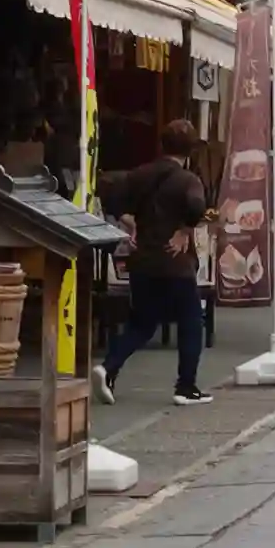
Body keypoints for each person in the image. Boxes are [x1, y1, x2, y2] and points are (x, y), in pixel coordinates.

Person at [94, 120, 214, 406]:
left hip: (143, 260)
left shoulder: (139, 174)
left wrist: (131, 223)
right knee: (191, 321)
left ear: (162, 145)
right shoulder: (188, 180)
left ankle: (108, 368)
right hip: (175, 262)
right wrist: (184, 230)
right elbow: (197, 207)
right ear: (190, 151)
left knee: (142, 323)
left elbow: (111, 198)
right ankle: (186, 386)